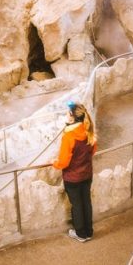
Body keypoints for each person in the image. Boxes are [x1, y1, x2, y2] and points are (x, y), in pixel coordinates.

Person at [52, 100, 97, 242]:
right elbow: (92, 151)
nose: (66, 115)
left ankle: (80, 234)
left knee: (77, 205)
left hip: (73, 178)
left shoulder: (69, 136)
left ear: (71, 116)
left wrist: (55, 164)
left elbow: (64, 162)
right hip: (87, 174)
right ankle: (89, 232)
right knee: (86, 202)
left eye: (67, 112)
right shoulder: (89, 130)